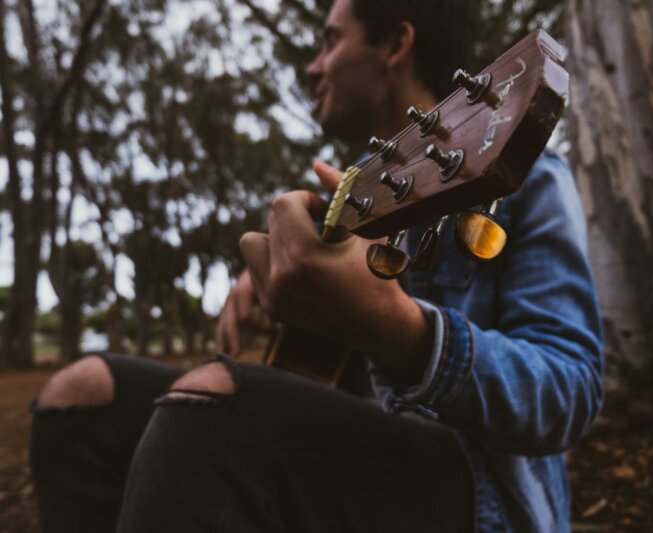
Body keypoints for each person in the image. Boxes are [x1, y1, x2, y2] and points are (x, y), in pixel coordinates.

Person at [28, 0, 603, 531]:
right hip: (349, 465)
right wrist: (271, 275)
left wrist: (403, 331)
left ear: (395, 45)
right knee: (82, 394)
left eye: (330, 41)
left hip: (488, 502)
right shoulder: (361, 190)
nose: (313, 66)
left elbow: (570, 391)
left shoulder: (526, 180)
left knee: (213, 410)